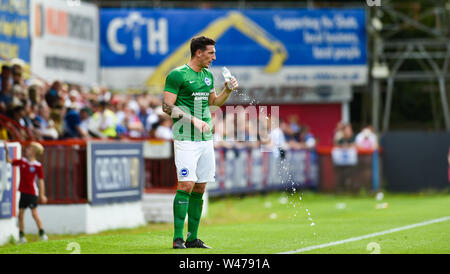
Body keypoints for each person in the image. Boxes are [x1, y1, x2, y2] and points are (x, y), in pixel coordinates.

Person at [162, 35, 238, 249]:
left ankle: (192, 238)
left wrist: (228, 90)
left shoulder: (207, 76)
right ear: (198, 52)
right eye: (211, 53)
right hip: (186, 138)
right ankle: (178, 238)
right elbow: (167, 107)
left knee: (200, 187)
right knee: (186, 184)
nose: (214, 57)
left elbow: (213, 104)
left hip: (205, 139)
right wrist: (192, 118)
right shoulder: (177, 75)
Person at [4, 141, 48, 243]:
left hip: (32, 193)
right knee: (21, 214)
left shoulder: (37, 165)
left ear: (33, 152)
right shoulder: (22, 162)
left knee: (34, 213)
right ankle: (22, 236)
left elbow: (41, 180)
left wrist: (42, 194)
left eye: (29, 149)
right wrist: (7, 151)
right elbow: (9, 161)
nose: (27, 150)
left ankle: (42, 233)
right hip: (23, 192)